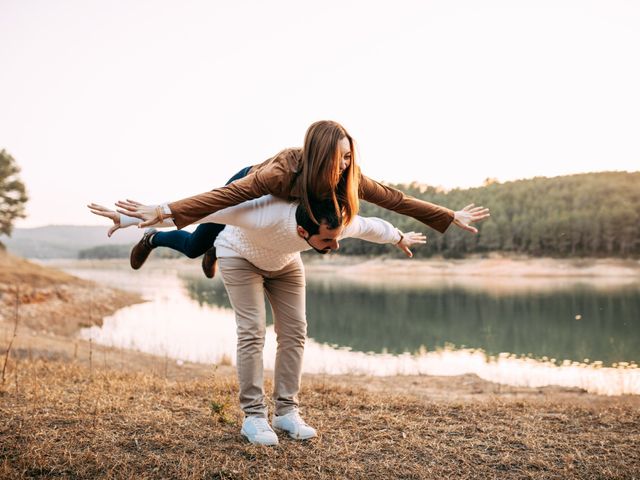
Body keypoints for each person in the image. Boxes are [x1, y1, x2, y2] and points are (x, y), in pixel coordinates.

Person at [89, 195, 426, 446]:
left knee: (295, 333)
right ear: (300, 229)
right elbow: (203, 209)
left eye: (337, 237)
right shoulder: (264, 214)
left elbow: (372, 226)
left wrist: (399, 237)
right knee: (252, 332)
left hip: (285, 263)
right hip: (238, 255)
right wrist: (131, 219)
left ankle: (286, 412)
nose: (335, 245)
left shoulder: (334, 220)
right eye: (326, 240)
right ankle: (253, 417)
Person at [114, 120, 490, 278]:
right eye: (338, 158)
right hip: (243, 190)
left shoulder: (350, 177)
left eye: (349, 157)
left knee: (215, 244)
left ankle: (217, 247)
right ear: (319, 155)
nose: (345, 166)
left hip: (259, 221)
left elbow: (394, 199)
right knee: (197, 245)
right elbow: (225, 195)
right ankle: (155, 240)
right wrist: (162, 212)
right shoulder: (280, 172)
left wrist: (447, 214)